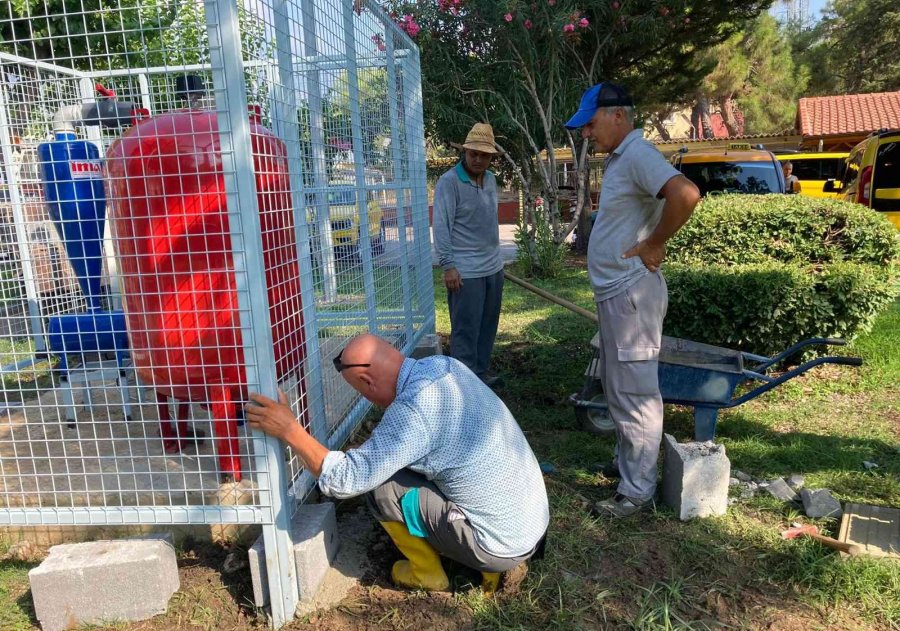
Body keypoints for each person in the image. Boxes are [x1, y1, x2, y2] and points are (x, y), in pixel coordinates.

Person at [246, 334, 549, 592]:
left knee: (381, 488)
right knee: (397, 466)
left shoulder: (413, 412)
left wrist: (289, 430)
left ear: (367, 380)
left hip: (497, 546)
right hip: (530, 524)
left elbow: (346, 480)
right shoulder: (444, 366)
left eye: (360, 390)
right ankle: (482, 563)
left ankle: (427, 574)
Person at [564, 83, 701, 518]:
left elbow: (686, 194)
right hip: (618, 294)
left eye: (591, 123)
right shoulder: (623, 159)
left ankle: (636, 492)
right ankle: (630, 469)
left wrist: (655, 243)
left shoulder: (638, 154)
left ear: (618, 116)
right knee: (620, 389)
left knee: (636, 394)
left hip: (631, 295)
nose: (587, 133)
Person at [432, 123, 504, 386]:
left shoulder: (491, 180)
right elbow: (441, 226)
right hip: (465, 273)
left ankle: (481, 378)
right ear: (465, 151)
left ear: (490, 157)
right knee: (465, 332)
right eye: (473, 153)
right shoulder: (449, 182)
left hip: (493, 269)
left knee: (487, 328)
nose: (477, 159)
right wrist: (448, 266)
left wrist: (497, 264)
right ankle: (465, 387)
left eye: (484, 155)